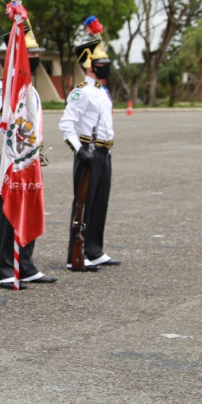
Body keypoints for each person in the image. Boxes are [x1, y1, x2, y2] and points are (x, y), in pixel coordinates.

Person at [0, 29, 57, 289]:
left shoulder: (32, 87)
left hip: (30, 159)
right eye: (30, 53)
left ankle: (26, 264)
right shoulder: (4, 86)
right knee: (8, 214)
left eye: (36, 53)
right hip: (13, 158)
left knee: (30, 208)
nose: (35, 57)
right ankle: (5, 267)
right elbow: (2, 119)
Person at [59, 16, 120, 270]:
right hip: (88, 151)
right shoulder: (81, 92)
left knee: (100, 201)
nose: (106, 66)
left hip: (104, 152)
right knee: (83, 203)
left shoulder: (103, 91)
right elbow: (65, 124)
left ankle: (95, 249)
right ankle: (77, 252)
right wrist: (80, 150)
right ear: (89, 64)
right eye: (101, 63)